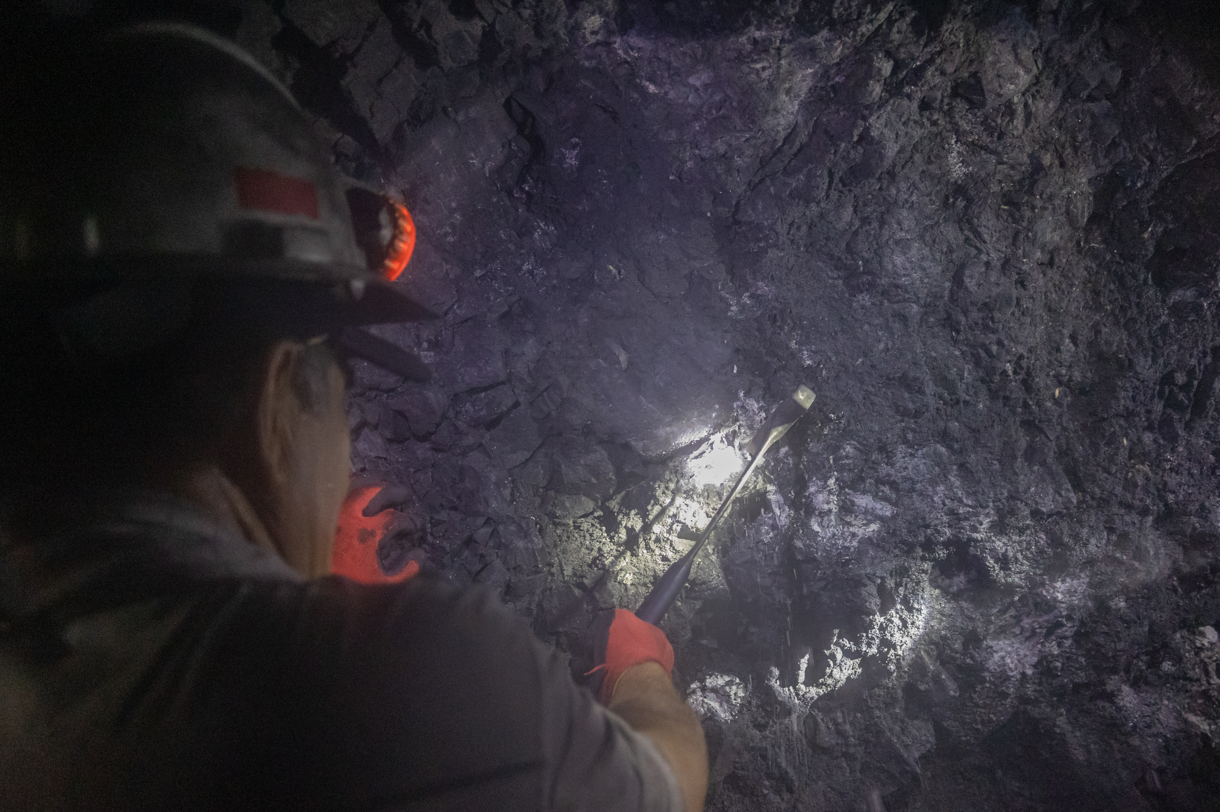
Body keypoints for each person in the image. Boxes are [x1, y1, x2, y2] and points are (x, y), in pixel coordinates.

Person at [0, 22, 707, 811]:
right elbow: (664, 786)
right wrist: (644, 673)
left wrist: (294, 577)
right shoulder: (394, 681)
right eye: (343, 389)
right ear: (277, 393)